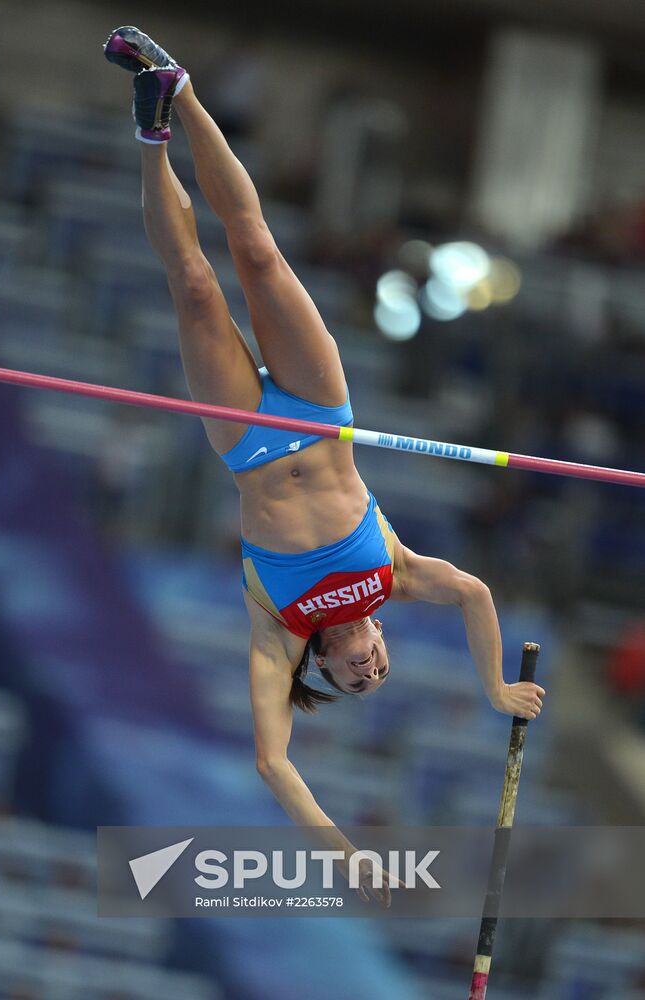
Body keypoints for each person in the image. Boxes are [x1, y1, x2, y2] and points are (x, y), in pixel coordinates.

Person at [104, 27, 545, 905]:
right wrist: (493, 689)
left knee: (192, 282)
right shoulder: (397, 578)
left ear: (330, 673)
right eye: (378, 666)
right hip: (318, 408)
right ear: (382, 638)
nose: (366, 669)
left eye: (354, 680)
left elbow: (272, 762)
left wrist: (342, 855)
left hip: (245, 442)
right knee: (258, 248)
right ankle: (182, 88)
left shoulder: (281, 633)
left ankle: (153, 135)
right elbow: (477, 595)